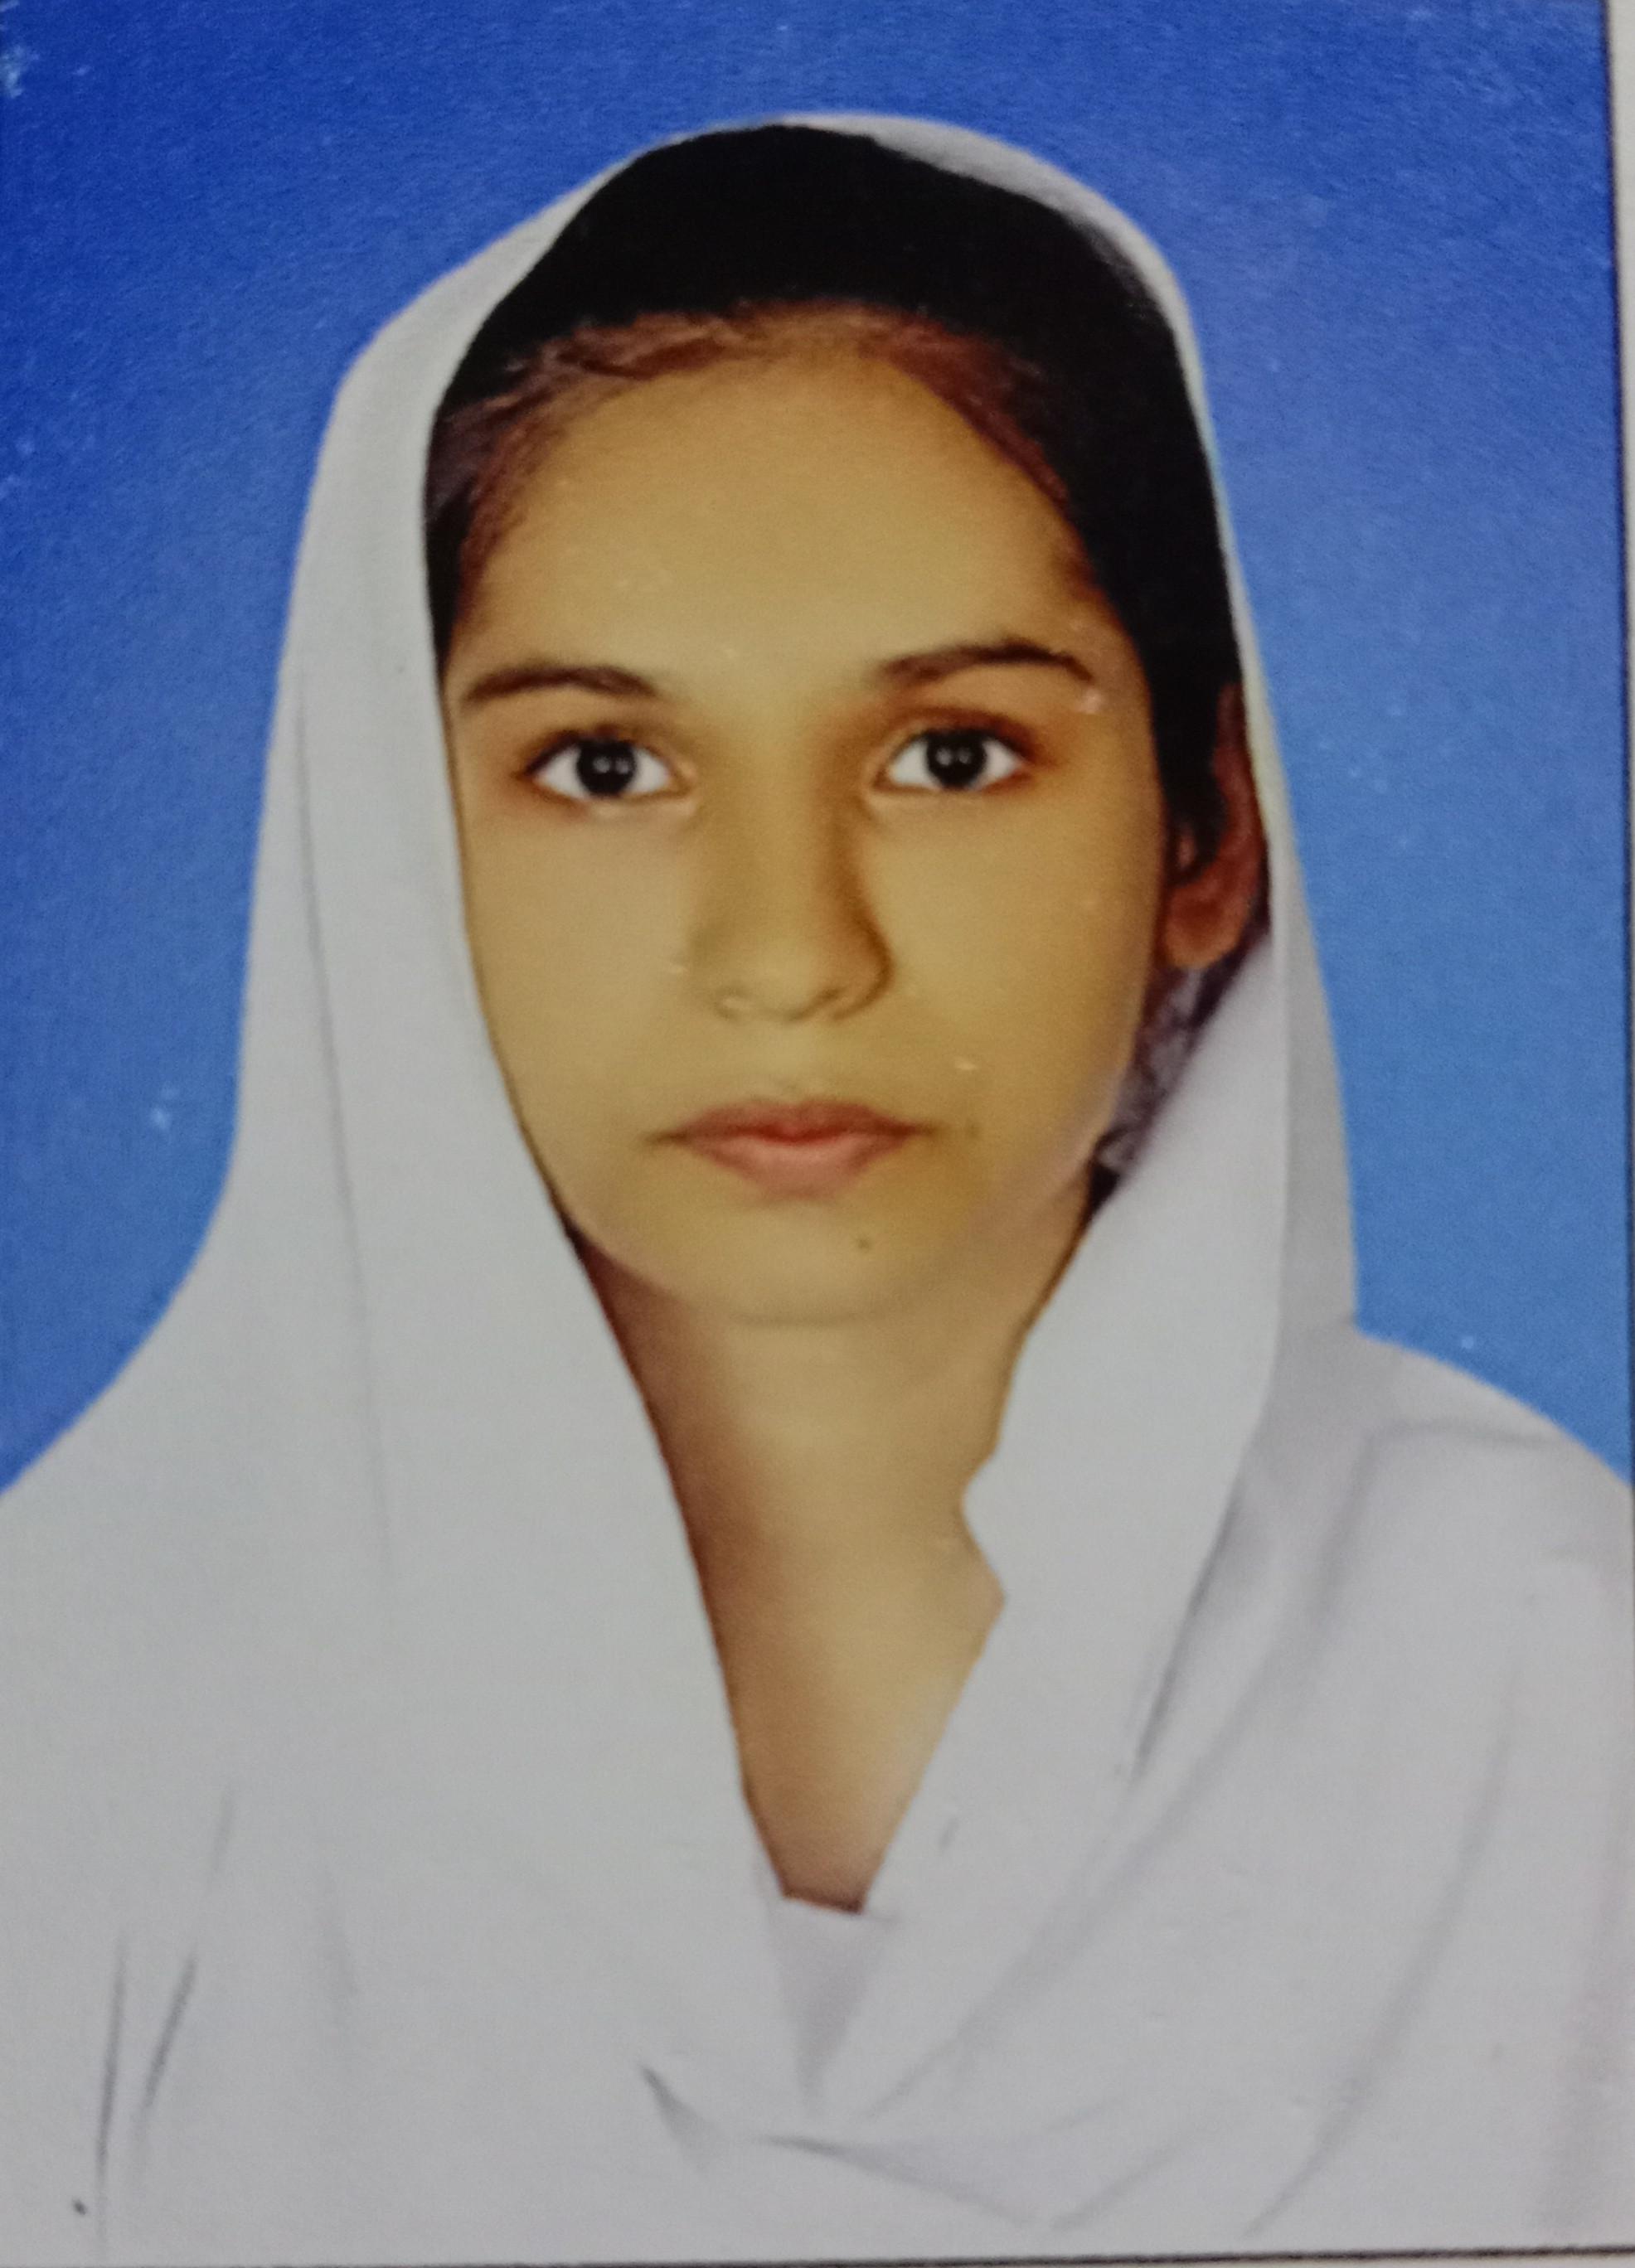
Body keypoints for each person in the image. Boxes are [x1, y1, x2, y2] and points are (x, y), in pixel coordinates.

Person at [0, 117, 1628, 2267]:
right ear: (393, 835)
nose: (787, 953)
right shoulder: (78, 1729)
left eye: (950, 754)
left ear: (1208, 828)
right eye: (606, 766)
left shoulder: (1553, 1689)